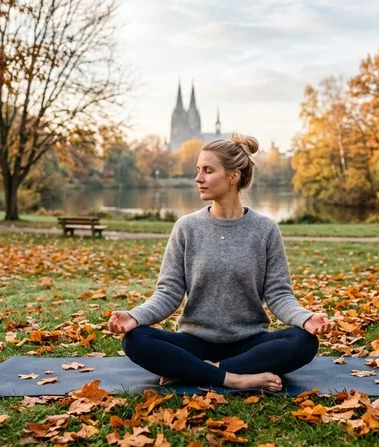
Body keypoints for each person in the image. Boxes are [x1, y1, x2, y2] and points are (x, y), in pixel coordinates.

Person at [108, 134, 332, 392]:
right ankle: (236, 378)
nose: (198, 178)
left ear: (233, 176)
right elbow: (168, 293)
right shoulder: (186, 228)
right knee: (136, 340)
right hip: (194, 340)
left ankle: (198, 370)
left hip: (250, 341)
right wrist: (134, 316)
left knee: (303, 341)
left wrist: (306, 318)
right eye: (198, 171)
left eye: (208, 171)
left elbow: (279, 295)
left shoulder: (265, 229)